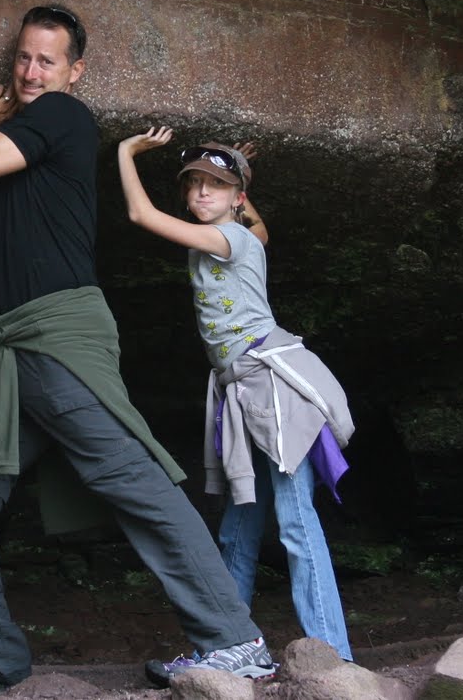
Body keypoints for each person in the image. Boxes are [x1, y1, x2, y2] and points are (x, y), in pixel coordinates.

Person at [0, 4, 274, 693]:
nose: (30, 72)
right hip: (10, 348)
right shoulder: (27, 141)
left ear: (74, 71)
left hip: (58, 334)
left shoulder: (62, 115)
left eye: (46, 60)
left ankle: (235, 640)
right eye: (23, 57)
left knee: (132, 477)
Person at [117, 129, 355, 669]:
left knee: (296, 522)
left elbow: (140, 214)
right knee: (238, 527)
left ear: (236, 199)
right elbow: (262, 228)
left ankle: (335, 661)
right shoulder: (244, 233)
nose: (203, 192)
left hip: (274, 387)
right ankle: (226, 647)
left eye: (217, 186)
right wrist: (237, 175)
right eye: (195, 184)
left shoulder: (229, 239)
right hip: (239, 390)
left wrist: (125, 153)